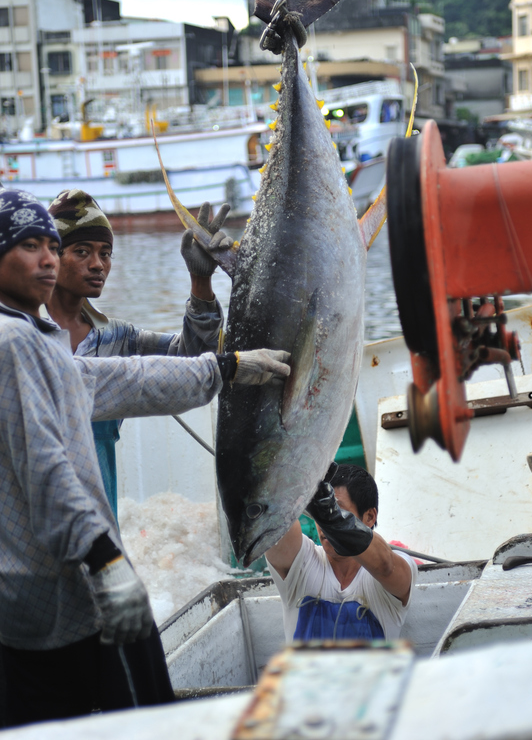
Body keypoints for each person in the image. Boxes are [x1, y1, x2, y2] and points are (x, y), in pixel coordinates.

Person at [0, 187, 290, 727]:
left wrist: (217, 348)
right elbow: (49, 473)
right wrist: (106, 563)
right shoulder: (15, 344)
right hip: (72, 577)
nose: (51, 259)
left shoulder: (66, 338)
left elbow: (133, 374)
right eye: (41, 247)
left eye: (48, 244)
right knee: (139, 719)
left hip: (46, 578)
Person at [45, 188, 229, 519]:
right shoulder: (20, 333)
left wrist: (200, 281)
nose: (98, 264)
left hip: (98, 520)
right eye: (82, 251)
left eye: (106, 253)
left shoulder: (117, 338)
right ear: (51, 256)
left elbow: (191, 364)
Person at [265, 464, 417, 641]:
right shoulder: (303, 560)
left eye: (336, 510)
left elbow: (386, 567)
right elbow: (273, 524)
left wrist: (336, 522)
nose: (324, 524)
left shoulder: (396, 567)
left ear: (369, 517)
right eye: (320, 514)